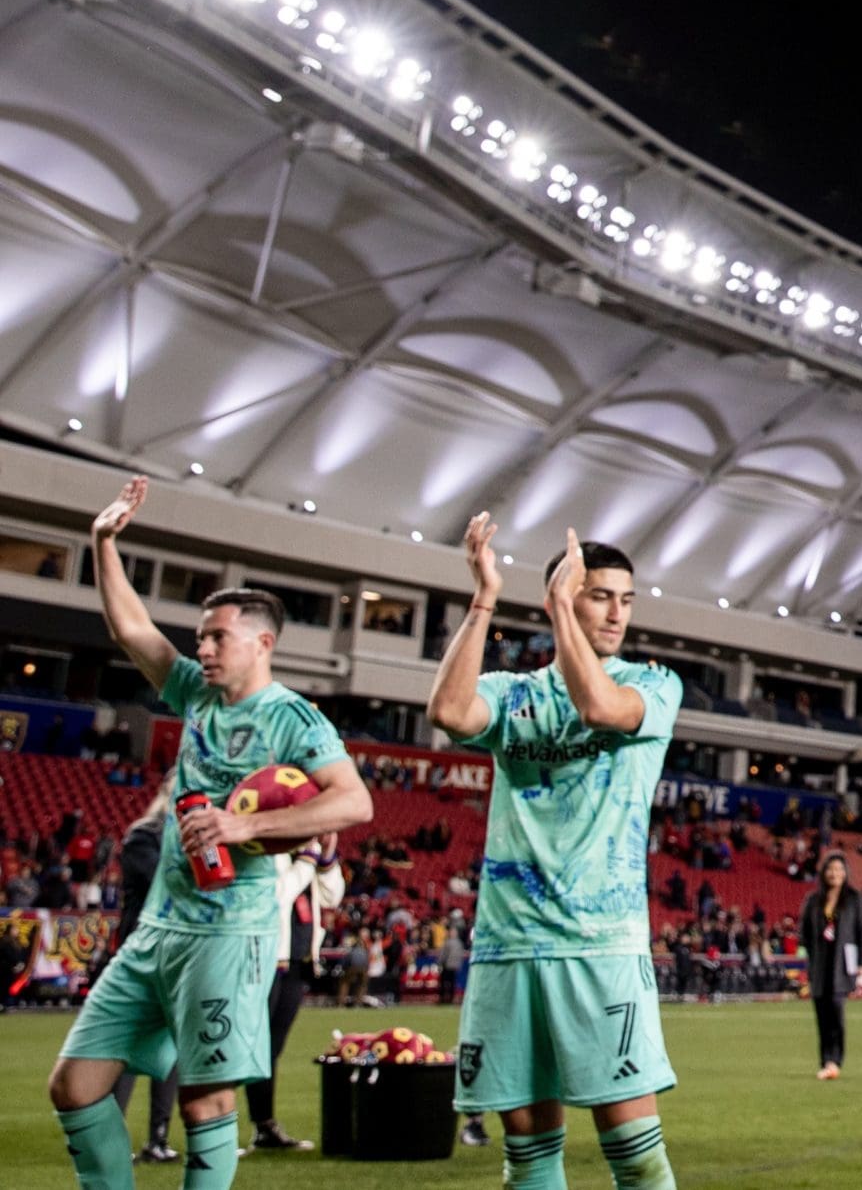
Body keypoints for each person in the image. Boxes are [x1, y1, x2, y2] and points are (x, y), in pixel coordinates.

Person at [47, 476, 372, 1190]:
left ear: (262, 642)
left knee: (205, 1100)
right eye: (200, 635)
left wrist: (245, 822)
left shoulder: (296, 718)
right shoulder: (193, 690)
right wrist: (105, 543)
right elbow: (132, 630)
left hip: (231, 930)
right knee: (73, 1086)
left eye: (217, 635)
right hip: (158, 926)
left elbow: (354, 803)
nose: (203, 645)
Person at [428, 517, 686, 1190]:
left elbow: (599, 706)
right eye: (598, 594)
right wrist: (485, 596)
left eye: (626, 599)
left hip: (601, 947)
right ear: (564, 597)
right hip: (508, 945)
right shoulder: (515, 694)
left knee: (636, 1156)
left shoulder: (656, 684)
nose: (617, 612)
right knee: (529, 1159)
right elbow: (450, 711)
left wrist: (556, 611)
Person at [242, 830, 345, 1150]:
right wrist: (307, 860)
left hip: (297, 963)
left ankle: (265, 1125)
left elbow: (332, 897)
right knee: (250, 1046)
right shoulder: (268, 852)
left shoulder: (305, 858)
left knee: (272, 1048)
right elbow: (277, 895)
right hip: (266, 960)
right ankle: (218, 1124)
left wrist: (326, 858)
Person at [102, 782, 178, 1166]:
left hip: (178, 956)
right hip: (140, 956)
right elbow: (167, 887)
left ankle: (158, 1138)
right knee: (128, 1050)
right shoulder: (143, 837)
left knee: (169, 1051)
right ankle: (114, 1140)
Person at [798, 851, 862, 1080]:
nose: (834, 873)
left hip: (842, 963)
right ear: (824, 873)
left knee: (836, 1009)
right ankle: (826, 1061)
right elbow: (805, 933)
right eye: (831, 869)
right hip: (820, 962)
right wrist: (808, 955)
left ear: (845, 873)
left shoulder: (854, 899)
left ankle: (835, 1060)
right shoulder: (813, 900)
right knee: (821, 1013)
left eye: (839, 869)